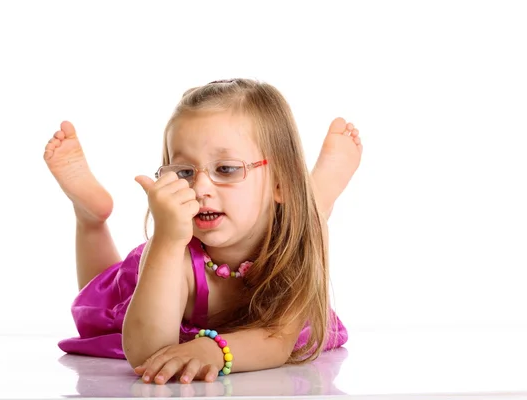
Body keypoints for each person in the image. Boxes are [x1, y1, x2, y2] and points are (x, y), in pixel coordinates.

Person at [43, 78, 363, 385]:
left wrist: (215, 350)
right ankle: (90, 219)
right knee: (104, 299)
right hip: (151, 286)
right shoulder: (176, 249)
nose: (200, 188)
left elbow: (276, 340)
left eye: (226, 169)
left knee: (307, 232)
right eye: (184, 172)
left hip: (286, 226)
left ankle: (317, 201)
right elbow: (147, 353)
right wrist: (168, 241)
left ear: (279, 182)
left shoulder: (291, 250)